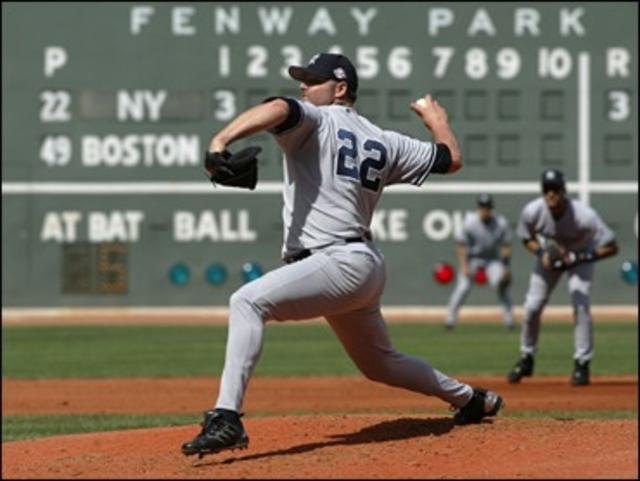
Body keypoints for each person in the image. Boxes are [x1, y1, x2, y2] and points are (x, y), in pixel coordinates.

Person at [181, 52, 504, 459]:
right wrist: (436, 121)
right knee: (379, 364)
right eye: (301, 79)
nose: (303, 86)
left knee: (246, 301)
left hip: (337, 261)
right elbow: (449, 159)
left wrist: (219, 142)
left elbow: (278, 107)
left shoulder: (317, 119)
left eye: (312, 80)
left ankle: (226, 416)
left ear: (340, 89)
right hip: (363, 265)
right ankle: (472, 399)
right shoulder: (385, 140)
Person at [507, 169, 618, 386]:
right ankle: (526, 358)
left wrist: (583, 256)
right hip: (551, 256)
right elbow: (525, 237)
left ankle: (582, 364)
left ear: (563, 191)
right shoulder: (533, 211)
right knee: (532, 306)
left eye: (555, 189)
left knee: (581, 304)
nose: (551, 194)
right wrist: (541, 253)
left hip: (581, 257)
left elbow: (612, 246)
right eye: (547, 189)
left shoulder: (585, 215)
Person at [444, 193, 514, 330]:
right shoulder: (470, 222)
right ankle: (450, 319)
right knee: (462, 288)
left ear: (492, 208)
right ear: (478, 207)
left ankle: (509, 319)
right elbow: (461, 245)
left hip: (492, 259)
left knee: (502, 285)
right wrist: (464, 266)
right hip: (472, 258)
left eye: (487, 207)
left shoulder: (500, 222)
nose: (485, 210)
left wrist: (505, 268)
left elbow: (506, 245)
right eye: (482, 206)